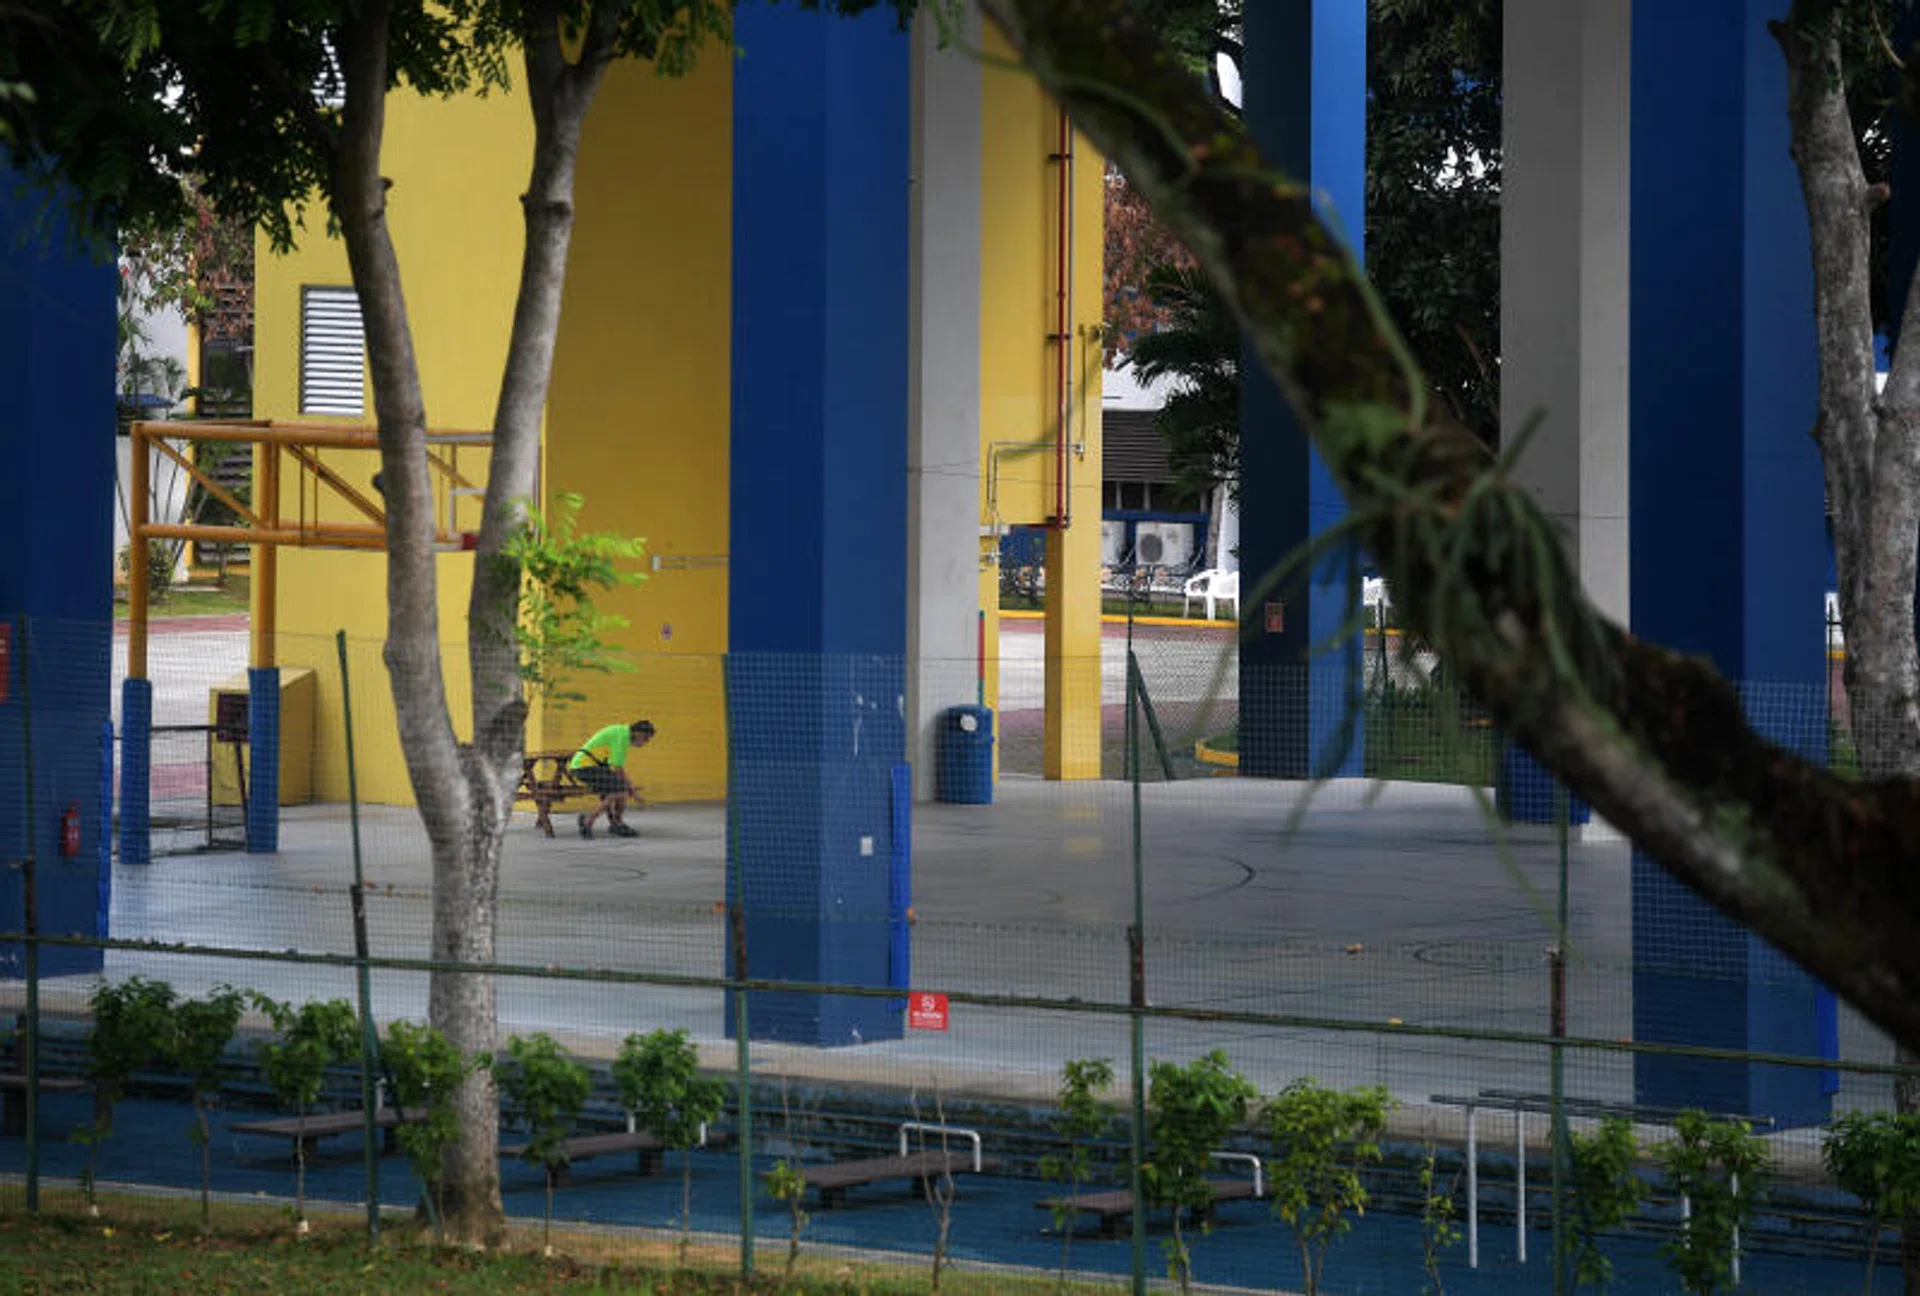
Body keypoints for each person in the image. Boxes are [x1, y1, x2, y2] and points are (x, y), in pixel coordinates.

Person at [570, 719, 654, 840]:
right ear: (638, 733)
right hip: (584, 767)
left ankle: (616, 824)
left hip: (593, 766)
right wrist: (635, 794)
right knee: (619, 791)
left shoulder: (622, 733)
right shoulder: (622, 737)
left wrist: (631, 790)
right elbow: (618, 769)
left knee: (621, 789)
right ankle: (589, 820)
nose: (646, 742)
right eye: (645, 738)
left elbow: (617, 767)